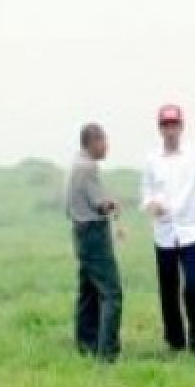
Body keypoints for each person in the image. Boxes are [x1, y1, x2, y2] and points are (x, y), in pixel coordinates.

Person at [140, 104, 195, 352]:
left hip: (191, 231)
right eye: (165, 125)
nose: (170, 130)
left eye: (174, 124)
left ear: (181, 126)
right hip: (164, 233)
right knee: (168, 289)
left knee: (192, 285)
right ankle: (175, 340)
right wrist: (152, 204)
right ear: (159, 129)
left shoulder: (194, 155)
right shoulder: (151, 160)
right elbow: (145, 193)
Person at [66, 123, 123, 362]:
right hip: (94, 233)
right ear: (93, 142)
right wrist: (115, 205)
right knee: (112, 292)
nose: (107, 146)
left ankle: (86, 344)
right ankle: (107, 353)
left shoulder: (75, 163)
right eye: (104, 141)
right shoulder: (88, 167)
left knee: (88, 291)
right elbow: (100, 204)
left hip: (80, 232)